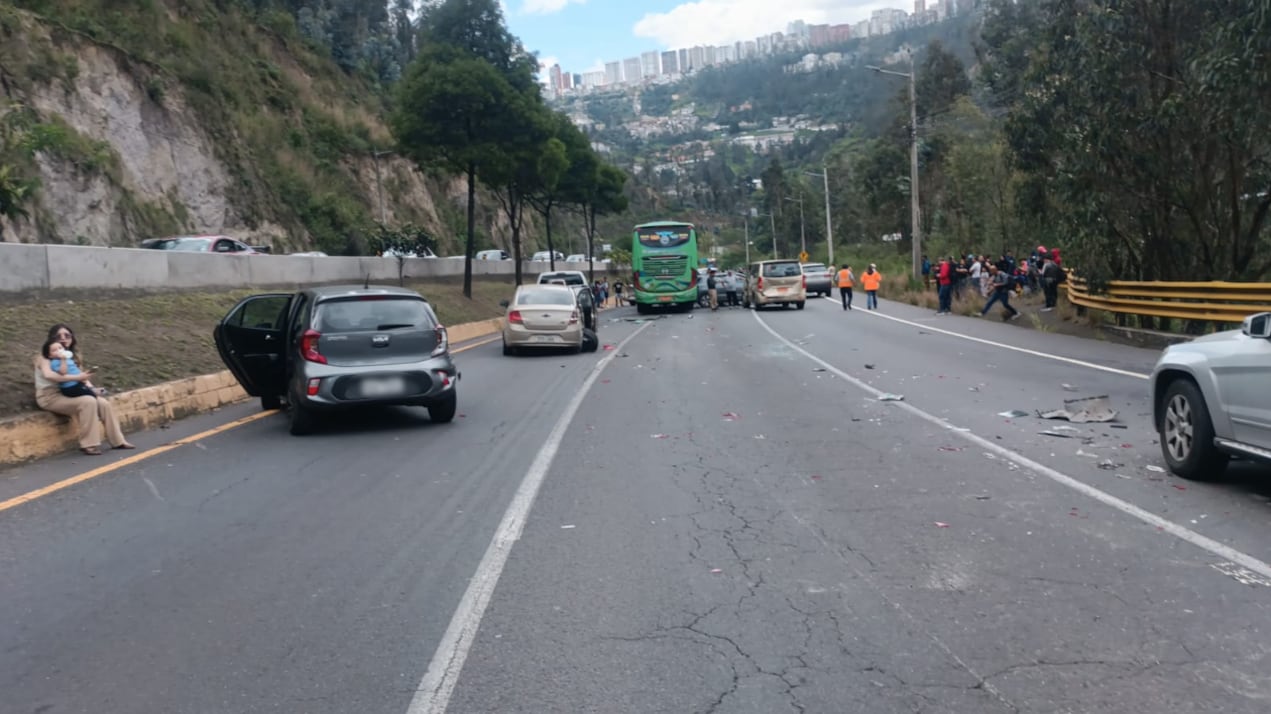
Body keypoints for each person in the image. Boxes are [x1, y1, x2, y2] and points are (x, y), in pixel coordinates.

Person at [34, 324, 134, 455]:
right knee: (87, 401)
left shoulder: (72, 358)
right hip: (50, 396)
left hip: (72, 391)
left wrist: (93, 389)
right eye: (58, 337)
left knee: (103, 403)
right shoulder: (44, 357)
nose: (63, 339)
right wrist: (77, 377)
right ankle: (89, 444)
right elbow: (49, 375)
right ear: (51, 339)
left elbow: (82, 378)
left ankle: (118, 441)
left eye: (67, 336)